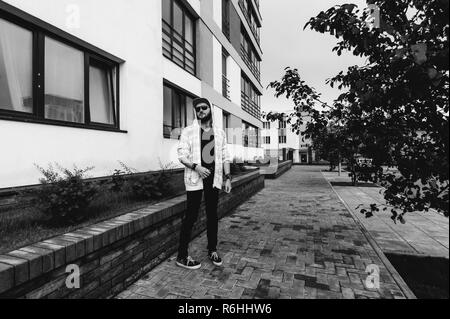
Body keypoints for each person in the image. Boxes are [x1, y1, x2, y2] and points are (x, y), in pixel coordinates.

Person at [176, 97, 232, 270]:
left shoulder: (220, 133)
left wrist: (228, 178)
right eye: (198, 109)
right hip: (195, 179)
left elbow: (225, 156)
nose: (200, 111)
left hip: (213, 179)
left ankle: (212, 250)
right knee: (191, 216)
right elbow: (181, 155)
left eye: (204, 108)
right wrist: (196, 167)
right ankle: (182, 255)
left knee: (212, 215)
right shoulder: (188, 131)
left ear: (210, 110)